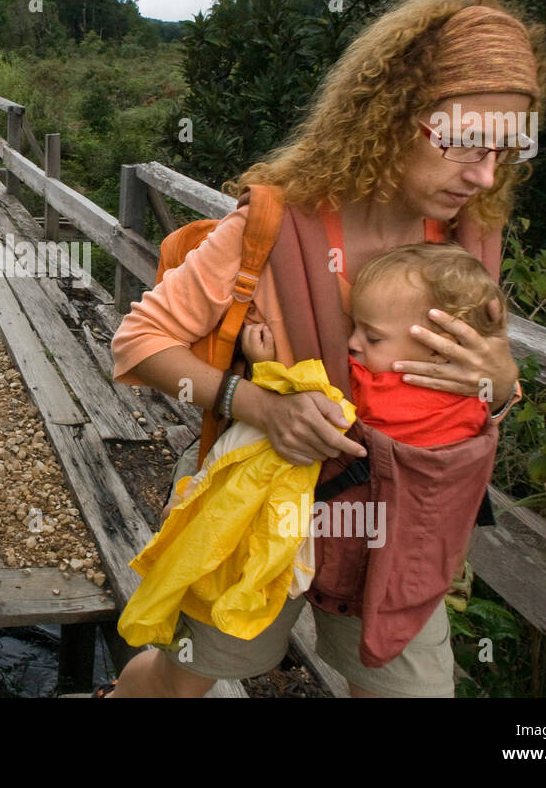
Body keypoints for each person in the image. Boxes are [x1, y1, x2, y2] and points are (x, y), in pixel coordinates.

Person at [102, 0, 546, 698]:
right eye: (465, 143)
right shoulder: (275, 225)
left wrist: (498, 380)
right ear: (392, 115)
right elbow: (137, 341)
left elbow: (481, 391)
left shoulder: (467, 236)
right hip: (260, 506)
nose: (486, 175)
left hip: (399, 530)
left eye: (507, 151)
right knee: (185, 679)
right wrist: (259, 404)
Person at [115, 242, 508, 659]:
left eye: (371, 336)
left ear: (437, 347)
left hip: (336, 529)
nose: (353, 344)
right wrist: (499, 389)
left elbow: (306, 389)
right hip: (401, 553)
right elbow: (487, 414)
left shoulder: (371, 387)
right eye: (354, 328)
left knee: (192, 662)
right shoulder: (466, 398)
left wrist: (262, 364)